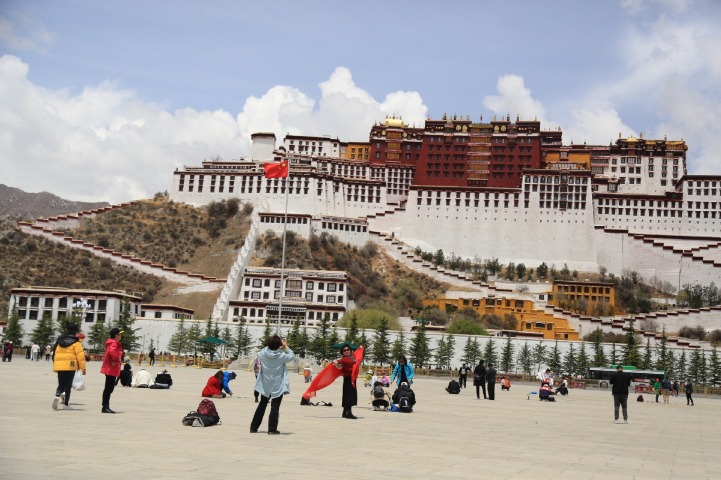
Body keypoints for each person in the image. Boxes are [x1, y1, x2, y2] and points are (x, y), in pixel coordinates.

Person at [250, 335, 294, 434]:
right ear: (279, 345)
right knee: (275, 406)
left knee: (262, 404)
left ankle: (253, 427)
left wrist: (271, 344)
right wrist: (285, 346)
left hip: (265, 383)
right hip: (278, 384)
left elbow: (263, 350)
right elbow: (292, 355)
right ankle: (272, 429)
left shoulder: (262, 354)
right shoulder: (282, 356)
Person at [52, 322, 87, 410]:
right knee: (68, 385)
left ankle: (56, 396)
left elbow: (54, 353)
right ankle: (66, 403)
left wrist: (55, 365)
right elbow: (80, 357)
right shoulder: (76, 342)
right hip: (71, 365)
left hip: (60, 365)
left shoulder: (59, 340)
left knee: (61, 384)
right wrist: (83, 368)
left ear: (66, 330)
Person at [100, 328, 123, 413]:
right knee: (109, 388)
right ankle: (105, 406)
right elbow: (112, 353)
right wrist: (114, 361)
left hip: (111, 368)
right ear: (116, 335)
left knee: (109, 387)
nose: (120, 336)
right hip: (111, 368)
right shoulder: (113, 343)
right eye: (119, 334)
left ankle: (105, 405)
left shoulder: (112, 343)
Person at [335, 342, 359, 419]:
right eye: (344, 350)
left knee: (349, 395)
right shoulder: (344, 359)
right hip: (348, 379)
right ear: (342, 352)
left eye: (348, 349)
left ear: (350, 350)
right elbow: (339, 361)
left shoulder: (352, 358)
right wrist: (336, 362)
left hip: (352, 378)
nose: (346, 351)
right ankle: (348, 413)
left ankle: (345, 412)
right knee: (349, 395)